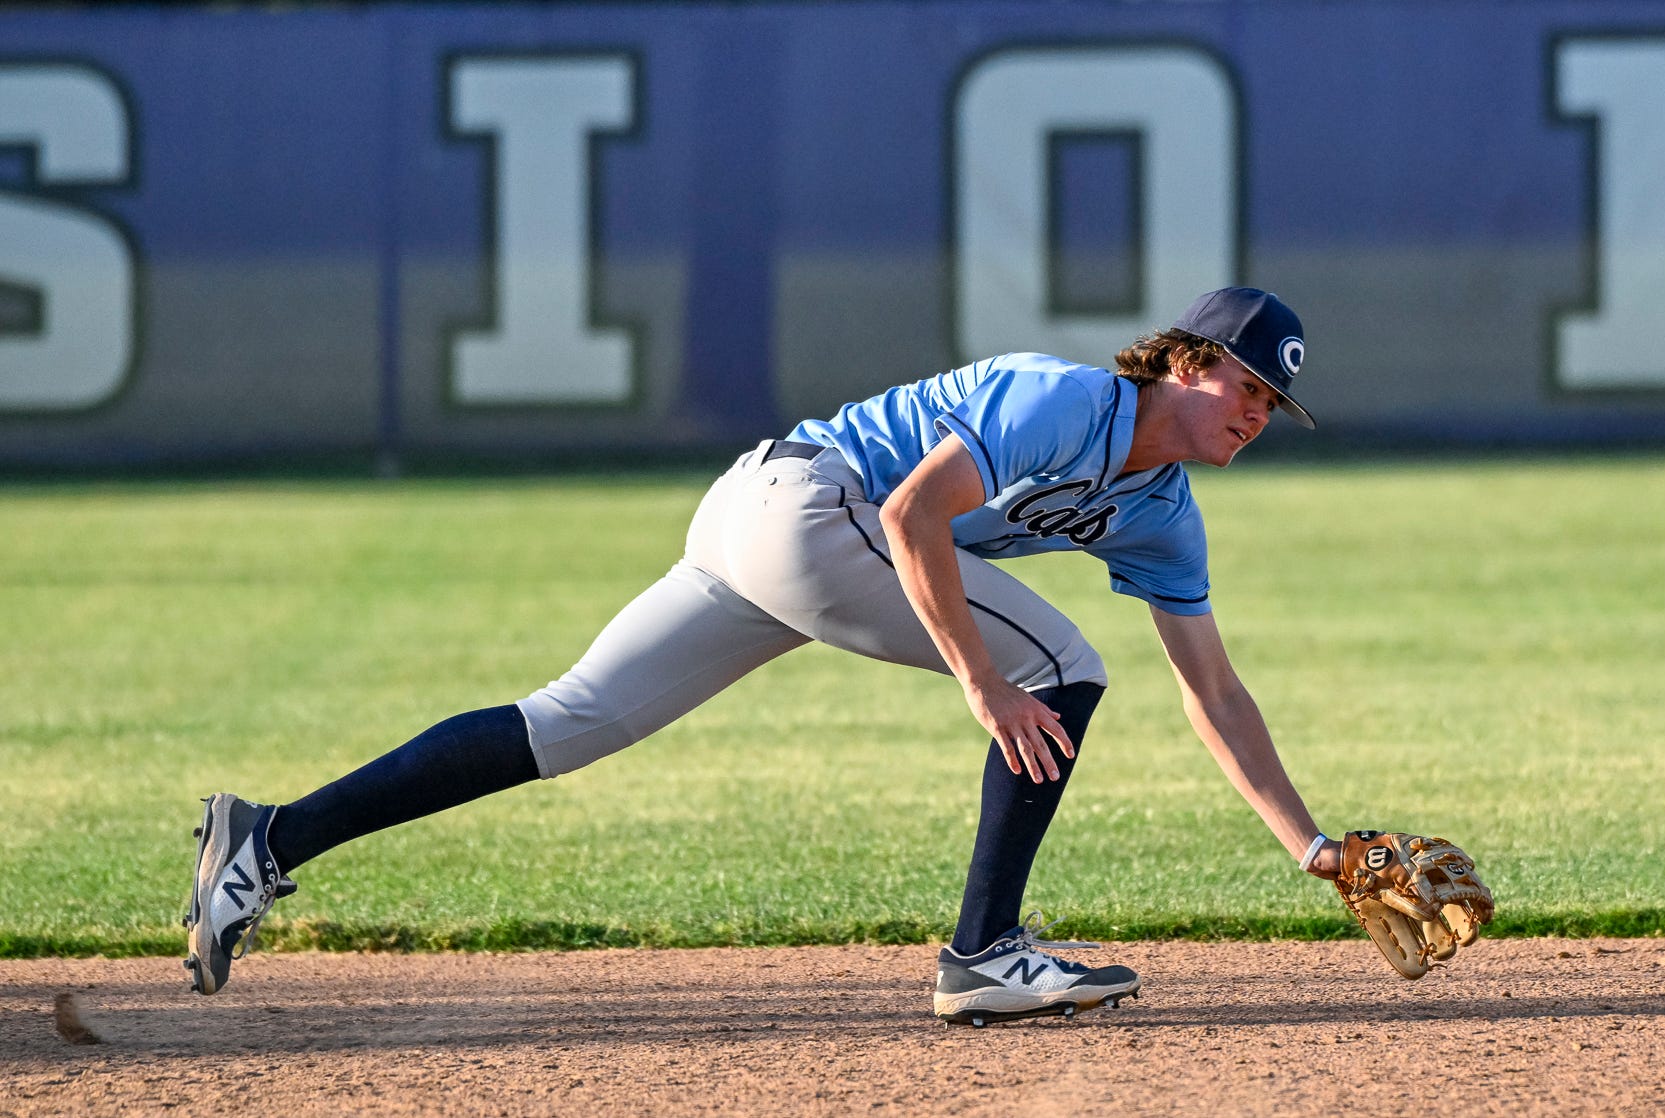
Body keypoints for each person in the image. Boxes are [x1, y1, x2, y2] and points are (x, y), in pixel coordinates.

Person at [183, 287, 1346, 1025]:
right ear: (1184, 361)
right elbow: (910, 519)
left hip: (778, 523)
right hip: (803, 505)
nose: (1254, 412)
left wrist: (1316, 847)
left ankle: (267, 836)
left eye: (1270, 402)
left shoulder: (1164, 513)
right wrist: (984, 682)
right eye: (1245, 384)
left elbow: (1216, 690)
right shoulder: (1065, 397)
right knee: (1060, 665)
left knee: (569, 720)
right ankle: (987, 951)